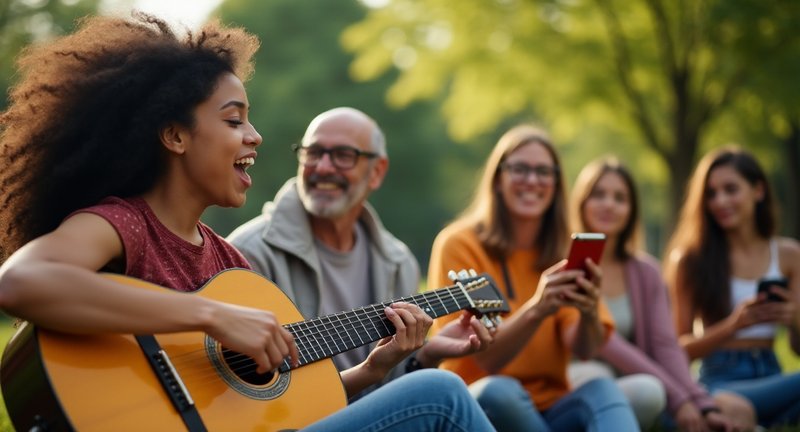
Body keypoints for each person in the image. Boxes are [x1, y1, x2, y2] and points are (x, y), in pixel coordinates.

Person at [0, 13, 495, 432]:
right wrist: (211, 316)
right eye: (234, 121)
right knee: (442, 395)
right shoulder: (125, 224)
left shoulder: (229, 264)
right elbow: (22, 282)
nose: (255, 137)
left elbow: (279, 410)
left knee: (445, 388)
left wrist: (371, 369)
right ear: (174, 135)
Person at [227, 106, 494, 399]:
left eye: (343, 156)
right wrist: (369, 371)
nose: (324, 167)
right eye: (313, 153)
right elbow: (245, 390)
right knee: (451, 391)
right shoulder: (247, 254)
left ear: (376, 172)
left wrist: (427, 354)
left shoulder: (398, 262)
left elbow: (391, 388)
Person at [426, 125, 639, 431]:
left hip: (551, 405)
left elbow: (584, 349)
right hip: (476, 406)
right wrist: (538, 309)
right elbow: (485, 360)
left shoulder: (563, 247)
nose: (532, 180)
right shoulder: (460, 244)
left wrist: (589, 310)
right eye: (519, 169)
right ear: (498, 178)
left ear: (556, 184)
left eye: (543, 172)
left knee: (603, 388)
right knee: (499, 392)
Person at [566, 157, 755, 431]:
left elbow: (666, 345)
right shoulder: (564, 266)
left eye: (620, 198)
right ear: (581, 202)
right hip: (576, 378)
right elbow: (607, 344)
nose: (609, 204)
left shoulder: (647, 272)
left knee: (650, 391)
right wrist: (680, 400)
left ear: (631, 210)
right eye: (598, 195)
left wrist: (701, 403)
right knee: (605, 378)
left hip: (637, 382)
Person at [664, 146, 800, 428]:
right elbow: (679, 349)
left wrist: (795, 320)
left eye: (730, 189)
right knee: (730, 406)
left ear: (758, 191)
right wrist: (733, 325)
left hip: (771, 374)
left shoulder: (789, 255)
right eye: (711, 193)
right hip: (720, 380)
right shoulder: (690, 260)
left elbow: (797, 350)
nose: (720, 201)